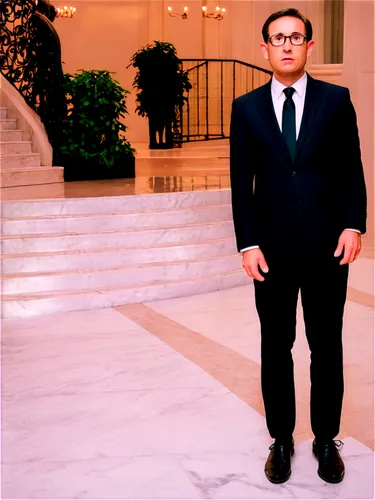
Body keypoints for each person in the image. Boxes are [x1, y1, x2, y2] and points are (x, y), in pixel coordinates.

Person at [229, 8, 367, 485]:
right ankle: (282, 439)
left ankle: (327, 439)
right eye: (277, 38)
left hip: (328, 245)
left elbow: (352, 168)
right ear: (264, 48)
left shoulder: (336, 100)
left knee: (326, 345)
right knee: (276, 344)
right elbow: (240, 184)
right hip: (271, 249)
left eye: (295, 37)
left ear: (309, 46)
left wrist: (353, 225)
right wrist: (247, 243)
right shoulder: (245, 108)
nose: (286, 45)